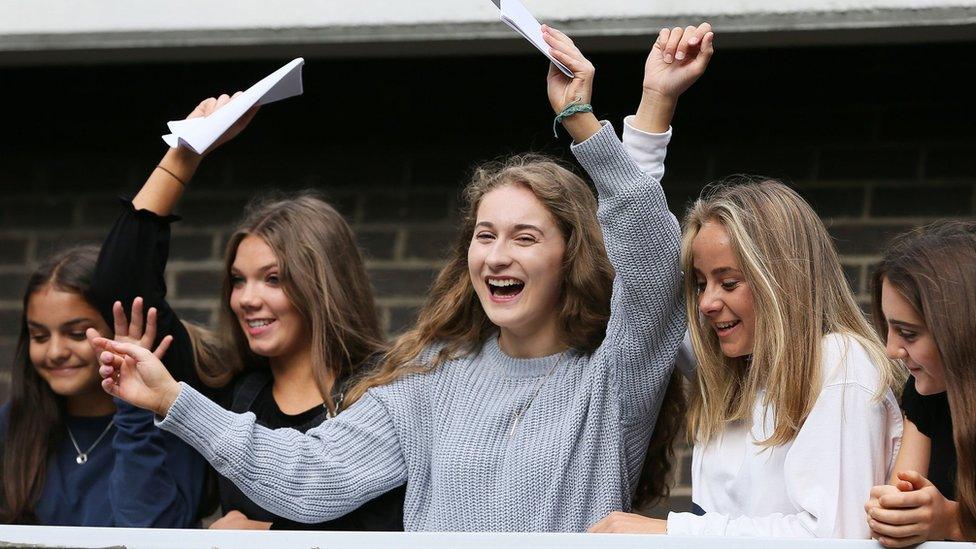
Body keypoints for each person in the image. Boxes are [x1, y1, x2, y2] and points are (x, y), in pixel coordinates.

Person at [89, 23, 711, 531]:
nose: (496, 256)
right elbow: (311, 478)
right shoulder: (433, 378)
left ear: (570, 258)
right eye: (485, 235)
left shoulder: (611, 374)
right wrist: (174, 398)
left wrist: (583, 118)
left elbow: (650, 261)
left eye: (525, 238)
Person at [590, 32, 903, 531]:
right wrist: (654, 104)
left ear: (783, 280)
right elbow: (645, 270)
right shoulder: (733, 361)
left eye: (728, 282)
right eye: (698, 283)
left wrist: (672, 531)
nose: (708, 303)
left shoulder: (840, 363)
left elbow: (837, 534)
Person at [90, 94, 405, 530]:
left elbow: (397, 520)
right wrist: (185, 153)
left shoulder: (389, 386)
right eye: (238, 280)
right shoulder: (227, 387)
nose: (246, 299)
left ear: (324, 284)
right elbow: (119, 283)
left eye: (273, 279)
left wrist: (270, 535)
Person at [0, 246, 204, 526]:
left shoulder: (172, 423)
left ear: (121, 331)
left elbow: (150, 531)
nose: (55, 351)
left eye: (76, 333)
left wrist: (133, 411)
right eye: (39, 336)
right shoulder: (12, 423)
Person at [864, 220, 976, 547]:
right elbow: (901, 500)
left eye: (909, 333)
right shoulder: (925, 391)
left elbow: (937, 521)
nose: (891, 350)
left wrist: (952, 521)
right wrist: (895, 515)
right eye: (889, 328)